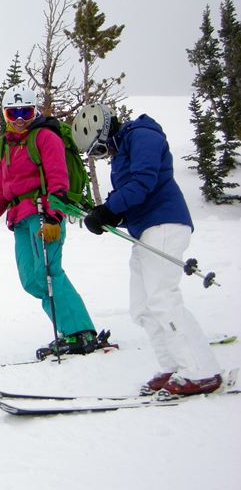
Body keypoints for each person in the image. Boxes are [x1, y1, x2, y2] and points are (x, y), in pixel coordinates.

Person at [72, 104, 223, 396]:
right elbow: (129, 191)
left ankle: (203, 371)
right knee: (142, 306)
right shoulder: (123, 150)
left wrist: (110, 210)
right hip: (145, 231)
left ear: (103, 131)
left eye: (99, 150)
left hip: (165, 223)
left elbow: (144, 181)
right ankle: (173, 365)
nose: (102, 157)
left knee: (162, 298)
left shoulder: (143, 135)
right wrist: (108, 214)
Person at [0, 85, 99, 357]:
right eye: (13, 113)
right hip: (19, 219)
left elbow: (58, 179)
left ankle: (80, 332)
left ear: (35, 111)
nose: (20, 119)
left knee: (49, 273)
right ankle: (72, 330)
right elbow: (3, 190)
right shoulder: (4, 145)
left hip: (44, 214)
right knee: (31, 280)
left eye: (26, 112)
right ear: (5, 115)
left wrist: (55, 216)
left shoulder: (46, 137)